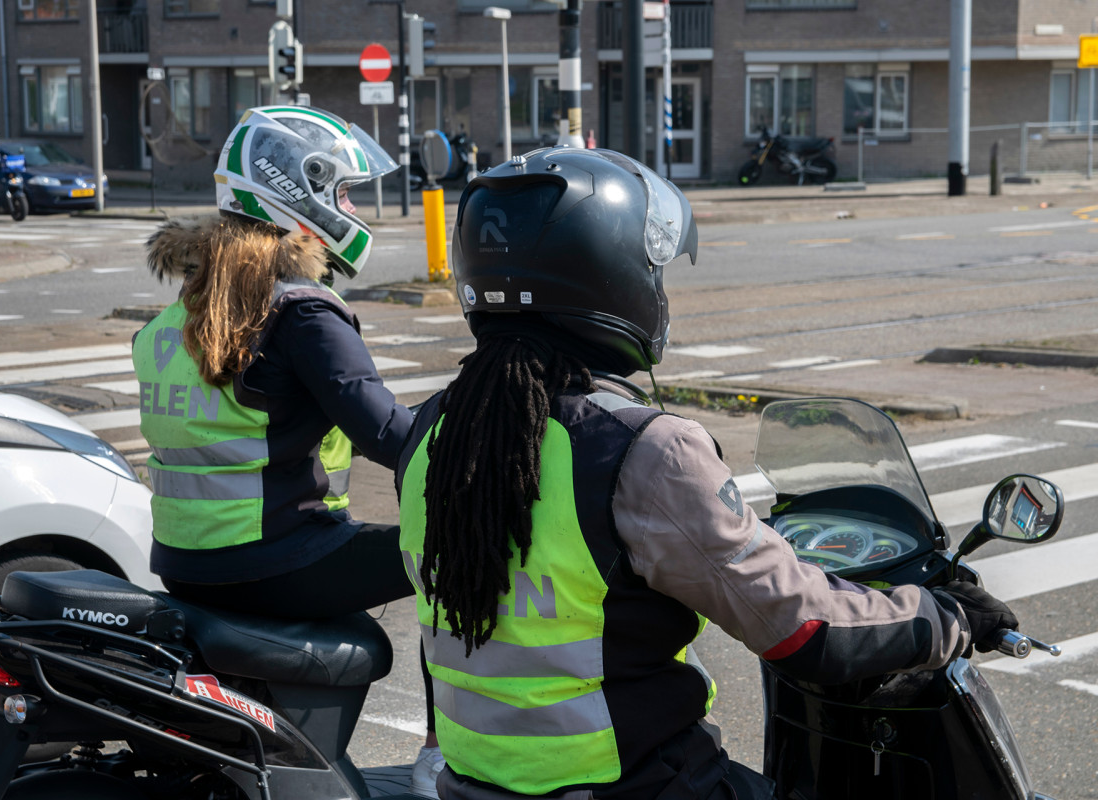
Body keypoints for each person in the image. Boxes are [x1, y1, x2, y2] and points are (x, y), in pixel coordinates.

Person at [394, 147, 1018, 800]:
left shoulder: (433, 431)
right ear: (608, 274)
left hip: (474, 785)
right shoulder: (641, 451)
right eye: (651, 271)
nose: (657, 290)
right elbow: (804, 630)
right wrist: (949, 616)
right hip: (638, 788)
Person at [130, 105, 443, 797]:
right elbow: (391, 438)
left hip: (185, 565)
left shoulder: (172, 318)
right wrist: (473, 417)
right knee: (454, 549)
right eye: (344, 193)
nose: (354, 207)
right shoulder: (300, 310)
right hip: (273, 559)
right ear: (298, 191)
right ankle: (440, 756)